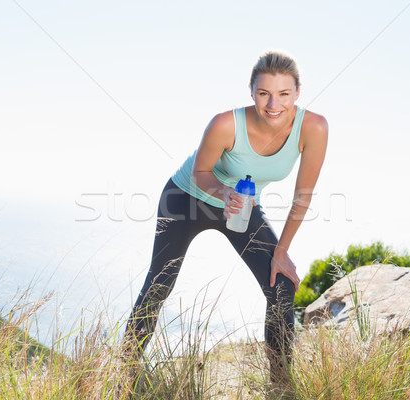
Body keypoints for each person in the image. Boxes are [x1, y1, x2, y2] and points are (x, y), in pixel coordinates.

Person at [123, 51, 328, 384]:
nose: (273, 104)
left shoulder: (314, 128)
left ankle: (279, 383)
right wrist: (223, 193)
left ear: (298, 93)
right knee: (159, 284)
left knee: (281, 285)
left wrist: (281, 252)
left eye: (284, 94)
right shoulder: (225, 123)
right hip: (186, 197)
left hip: (241, 207)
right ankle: (123, 372)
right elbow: (201, 172)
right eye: (264, 93)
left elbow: (302, 196)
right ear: (252, 92)